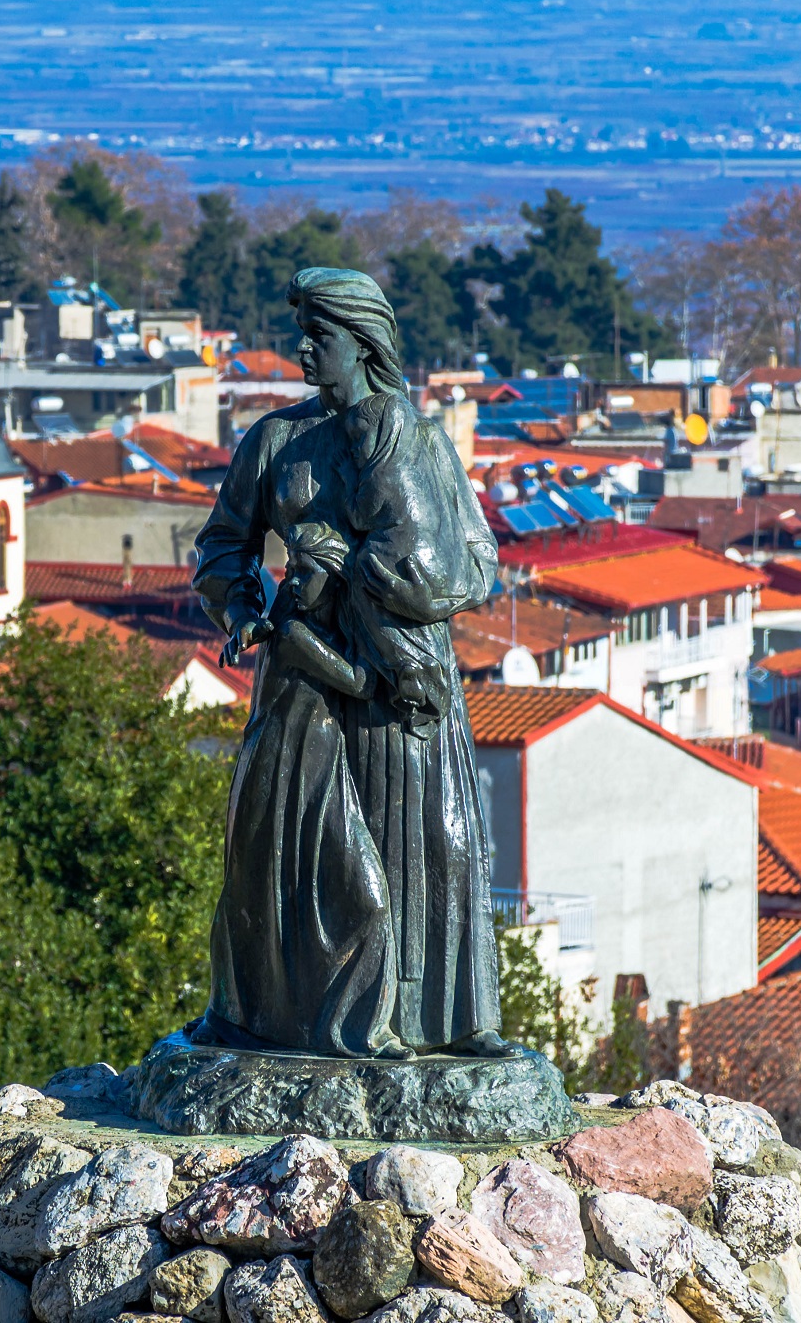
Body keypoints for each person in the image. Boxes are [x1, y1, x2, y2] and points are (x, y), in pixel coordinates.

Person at [193, 265, 513, 1059]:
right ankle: (275, 1019)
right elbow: (221, 548)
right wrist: (242, 610)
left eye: (319, 336)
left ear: (363, 344)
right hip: (303, 683)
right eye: (302, 332)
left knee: (439, 845)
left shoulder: (423, 441)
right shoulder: (275, 441)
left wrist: (395, 579)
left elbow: (479, 558)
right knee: (290, 860)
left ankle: (451, 1022)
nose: (303, 350)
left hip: (406, 683)